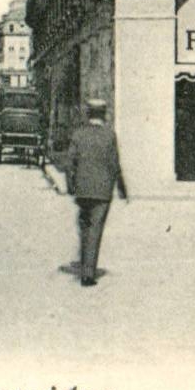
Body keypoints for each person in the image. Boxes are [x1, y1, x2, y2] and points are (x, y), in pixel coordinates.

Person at [64, 98, 128, 287]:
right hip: (102, 191)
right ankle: (88, 274)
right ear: (104, 114)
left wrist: (71, 186)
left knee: (84, 228)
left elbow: (69, 164)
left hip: (82, 191)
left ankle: (85, 265)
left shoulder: (78, 134)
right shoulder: (109, 136)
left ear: (88, 114)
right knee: (95, 229)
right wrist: (122, 188)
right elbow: (115, 165)